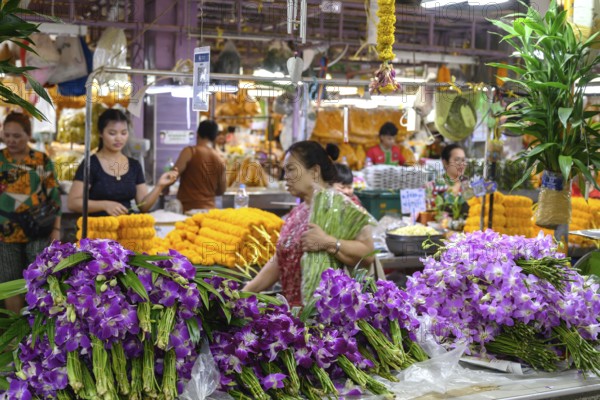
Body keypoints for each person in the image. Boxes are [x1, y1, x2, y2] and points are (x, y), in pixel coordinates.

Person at [243, 141, 375, 307]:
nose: (286, 177)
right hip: (294, 318)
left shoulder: (341, 207)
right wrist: (245, 292)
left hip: (325, 317)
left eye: (291, 169)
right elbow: (280, 260)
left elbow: (368, 254)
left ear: (314, 171)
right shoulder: (296, 213)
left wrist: (328, 242)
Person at [0, 112, 61, 313]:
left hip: (38, 230)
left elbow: (55, 197)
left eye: (16, 136)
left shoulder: (41, 161)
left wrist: (57, 230)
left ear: (28, 134)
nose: (11, 140)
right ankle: (15, 333)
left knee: (39, 280)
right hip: (5, 232)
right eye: (6, 135)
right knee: (10, 283)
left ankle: (35, 330)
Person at [68, 109, 178, 216]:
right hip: (97, 230)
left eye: (123, 133)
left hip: (126, 229)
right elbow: (73, 203)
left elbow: (143, 206)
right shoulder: (91, 164)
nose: (118, 138)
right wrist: (104, 205)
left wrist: (159, 186)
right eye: (112, 133)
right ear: (101, 133)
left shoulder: (134, 166)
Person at [175, 120, 227, 211]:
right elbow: (221, 191)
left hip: (188, 209)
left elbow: (173, 176)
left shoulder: (190, 152)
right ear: (215, 137)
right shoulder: (220, 159)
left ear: (197, 134)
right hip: (210, 210)